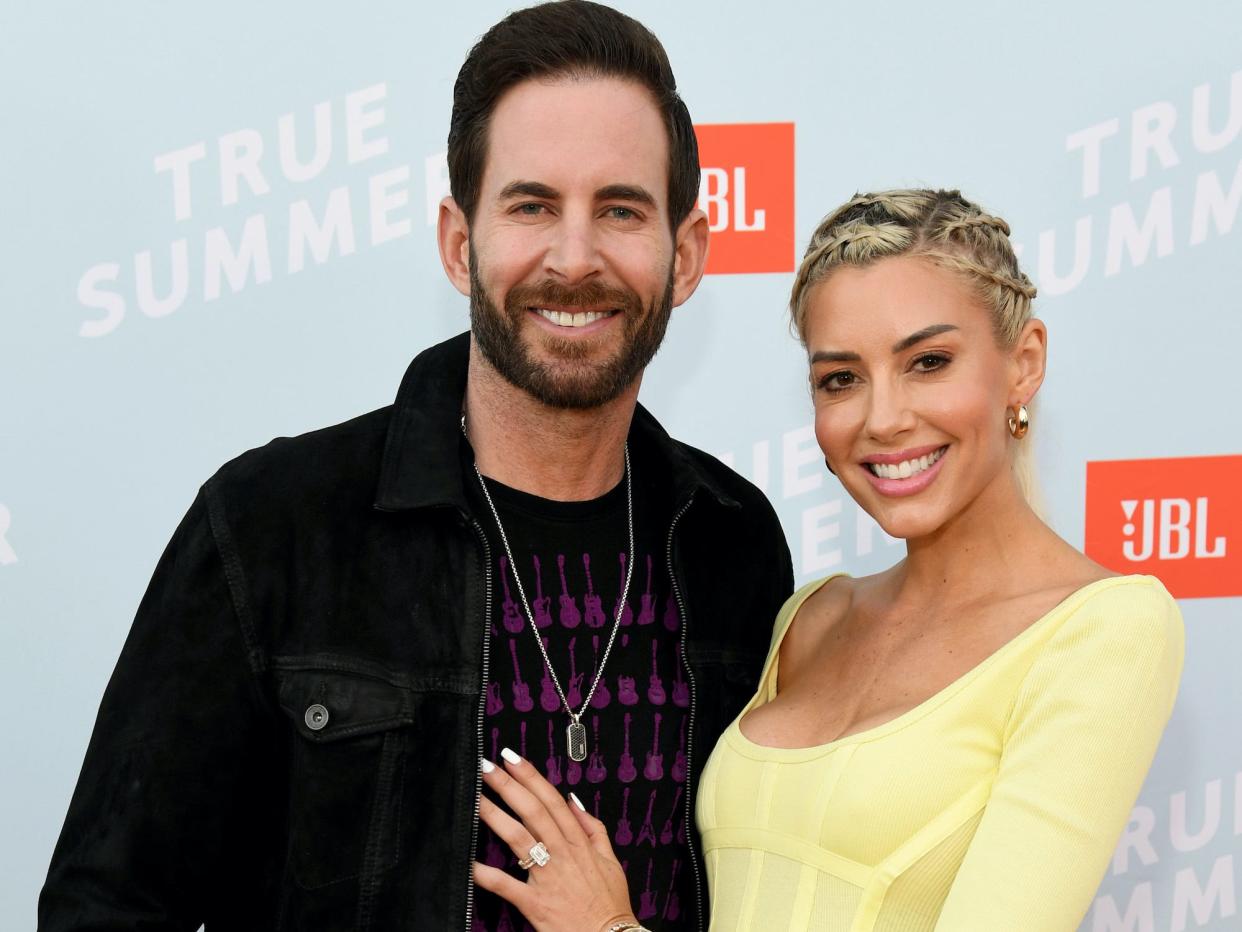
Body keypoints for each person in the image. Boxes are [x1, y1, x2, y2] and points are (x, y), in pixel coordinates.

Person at [36, 3, 793, 930]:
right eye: (531, 205)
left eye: (621, 210)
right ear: (457, 240)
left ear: (684, 256)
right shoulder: (276, 527)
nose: (574, 256)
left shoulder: (732, 543)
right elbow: (107, 906)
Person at [473, 189, 1185, 931]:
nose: (883, 419)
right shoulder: (810, 617)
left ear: (1024, 363)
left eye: (929, 361)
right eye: (841, 379)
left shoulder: (1107, 630)